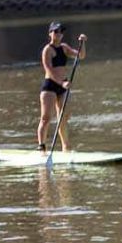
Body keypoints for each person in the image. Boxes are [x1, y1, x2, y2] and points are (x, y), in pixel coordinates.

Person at [37, 22, 87, 152]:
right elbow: (48, 70)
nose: (59, 34)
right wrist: (62, 83)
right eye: (55, 31)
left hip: (63, 85)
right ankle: (42, 147)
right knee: (46, 118)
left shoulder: (64, 47)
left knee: (63, 118)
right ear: (50, 34)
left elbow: (80, 56)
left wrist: (82, 42)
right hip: (50, 86)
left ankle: (66, 147)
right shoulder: (47, 50)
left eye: (60, 32)